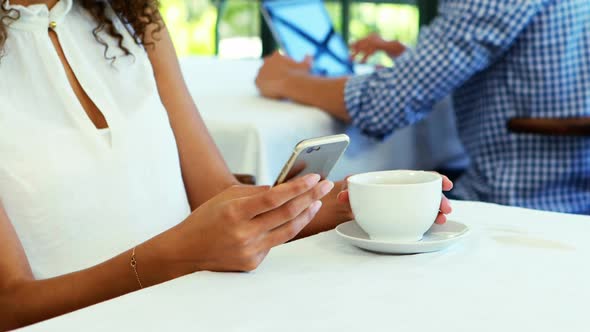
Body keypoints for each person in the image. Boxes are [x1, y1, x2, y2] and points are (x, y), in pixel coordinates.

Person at [0, 0, 453, 329]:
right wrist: (181, 254)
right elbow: (10, 304)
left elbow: (215, 194)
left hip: (198, 309)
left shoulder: (133, 17)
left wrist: (337, 202)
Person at [256, 0, 590, 214]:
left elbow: (382, 105)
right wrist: (410, 62)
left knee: (320, 221)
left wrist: (286, 81)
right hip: (571, 190)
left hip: (519, 201)